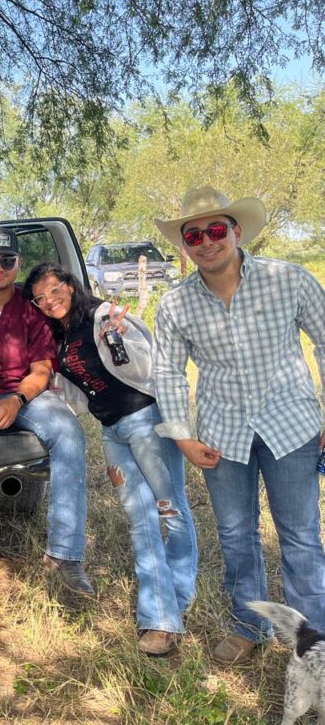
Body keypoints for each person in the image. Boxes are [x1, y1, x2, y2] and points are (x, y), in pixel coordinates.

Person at [153, 185, 325, 665]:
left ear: (236, 232)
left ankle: (313, 637)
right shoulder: (175, 304)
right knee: (235, 534)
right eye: (193, 236)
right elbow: (167, 372)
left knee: (300, 536)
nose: (206, 242)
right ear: (184, 245)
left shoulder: (288, 279)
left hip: (291, 426)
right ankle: (249, 625)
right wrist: (182, 436)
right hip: (221, 434)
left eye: (215, 230)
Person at [23, 262, 197, 656]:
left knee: (170, 511)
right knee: (140, 520)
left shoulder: (105, 315)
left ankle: (175, 599)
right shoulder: (61, 334)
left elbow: (149, 367)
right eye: (40, 298)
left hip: (146, 421)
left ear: (70, 285)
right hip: (111, 430)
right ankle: (162, 614)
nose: (49, 301)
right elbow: (74, 390)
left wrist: (119, 339)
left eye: (54, 290)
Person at [0, 229, 94, 597]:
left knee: (69, 433)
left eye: (7, 260)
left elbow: (41, 372)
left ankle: (66, 554)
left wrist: (16, 400)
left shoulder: (32, 309)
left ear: (18, 263)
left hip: (25, 392)